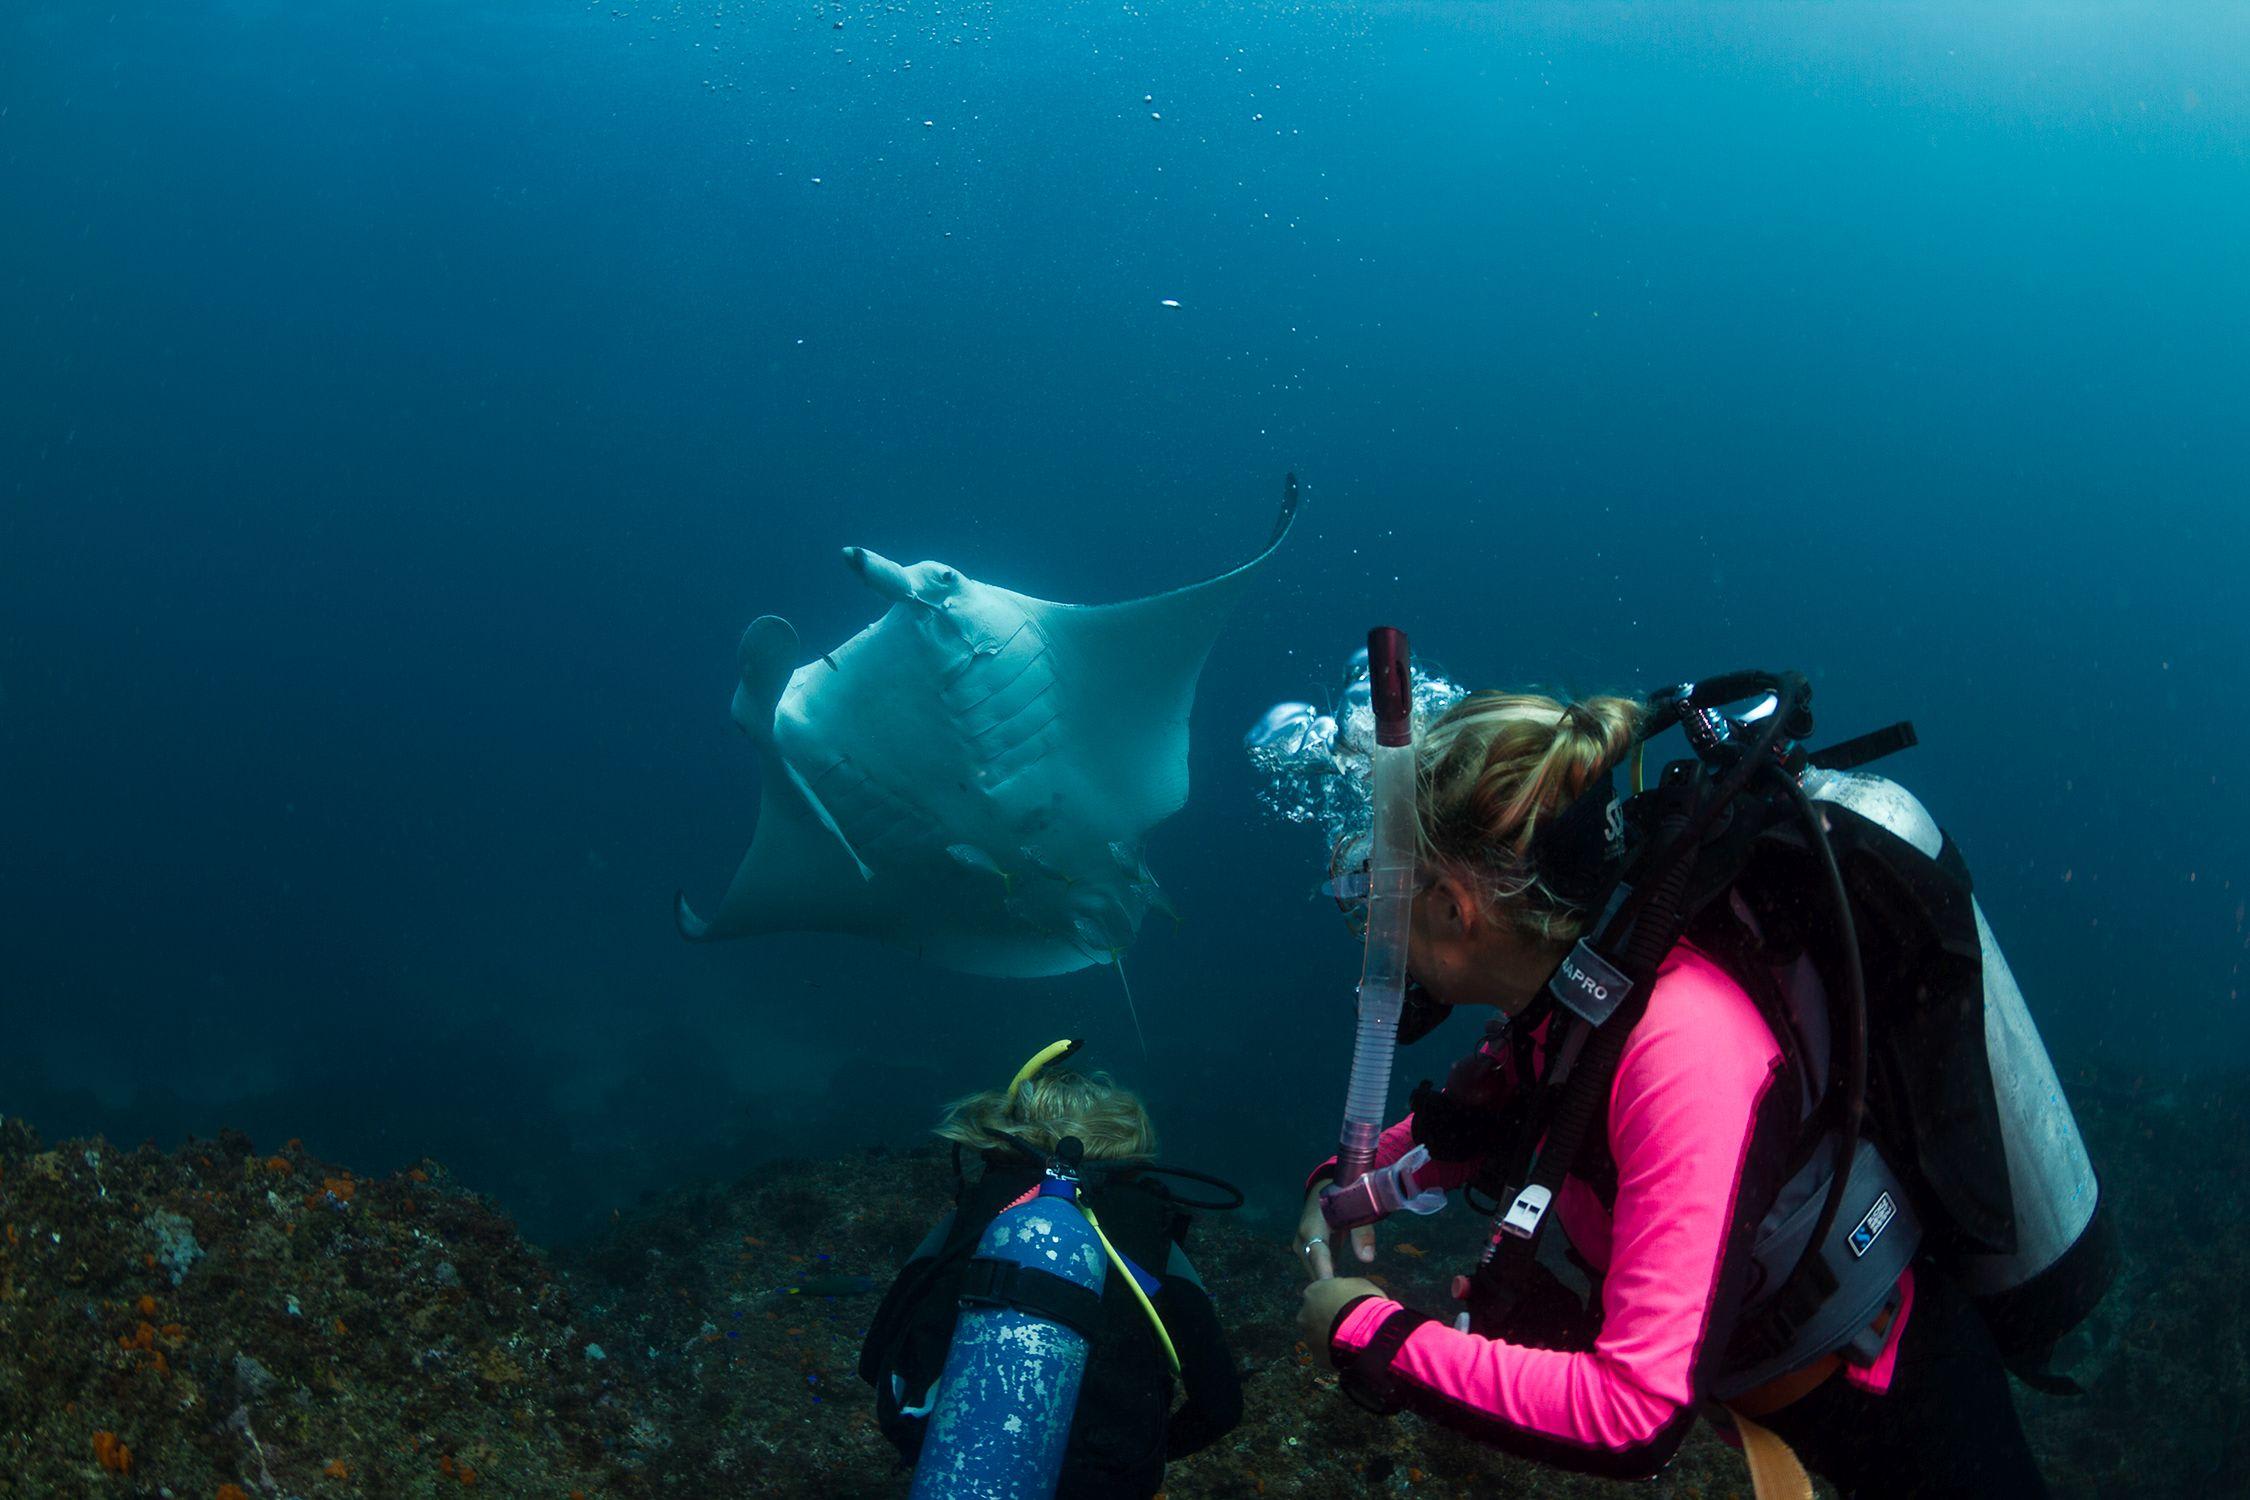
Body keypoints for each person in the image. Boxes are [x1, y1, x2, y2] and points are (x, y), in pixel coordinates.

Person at [1291, 688, 2065, 1499]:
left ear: (1456, 909)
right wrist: (1344, 1185)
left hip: (1897, 1398)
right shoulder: (1576, 995)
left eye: (1379, 893)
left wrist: (1364, 1332)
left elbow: (1633, 1414)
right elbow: (1496, 1113)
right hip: (1787, 1386)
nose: (1369, 925)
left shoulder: (1679, 1047)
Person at [860, 1050, 1242, 1499]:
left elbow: (875, 1363)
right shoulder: (1149, 1233)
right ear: (1130, 1145)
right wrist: (1138, 1462)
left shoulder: (980, 1216)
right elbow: (1220, 1407)